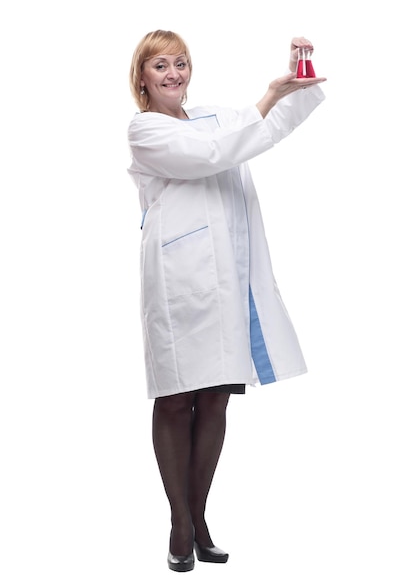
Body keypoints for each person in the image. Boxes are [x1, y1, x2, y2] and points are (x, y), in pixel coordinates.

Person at [127, 29, 326, 572]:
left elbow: (266, 130)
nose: (173, 74)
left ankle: (201, 516)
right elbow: (214, 154)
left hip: (226, 276)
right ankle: (178, 523)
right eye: (160, 66)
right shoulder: (144, 130)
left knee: (215, 397)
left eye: (181, 63)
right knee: (175, 398)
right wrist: (262, 104)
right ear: (142, 78)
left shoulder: (215, 116)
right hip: (178, 281)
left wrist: (291, 85)